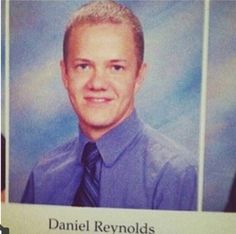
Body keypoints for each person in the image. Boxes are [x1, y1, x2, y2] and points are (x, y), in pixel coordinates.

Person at [22, 0, 197, 210]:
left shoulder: (176, 176)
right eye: (83, 66)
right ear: (65, 74)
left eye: (116, 67)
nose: (97, 83)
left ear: (139, 76)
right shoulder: (43, 176)